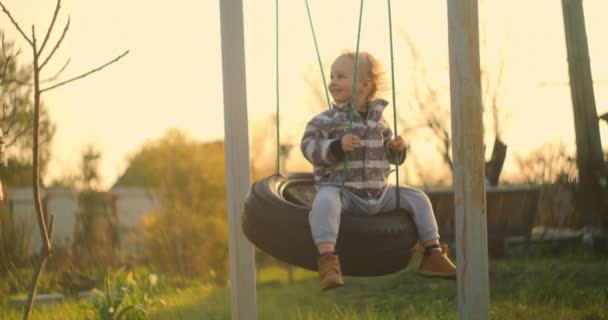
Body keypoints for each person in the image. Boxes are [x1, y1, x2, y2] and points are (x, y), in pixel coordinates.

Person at [300, 51, 456, 291]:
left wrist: (395, 150)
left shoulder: (380, 122)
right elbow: (308, 148)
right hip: (344, 193)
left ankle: (433, 253)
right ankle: (328, 260)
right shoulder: (323, 121)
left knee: (418, 198)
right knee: (324, 201)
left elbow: (389, 158)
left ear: (365, 85)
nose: (332, 81)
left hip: (379, 193)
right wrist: (336, 146)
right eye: (331, 75)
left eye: (340, 76)